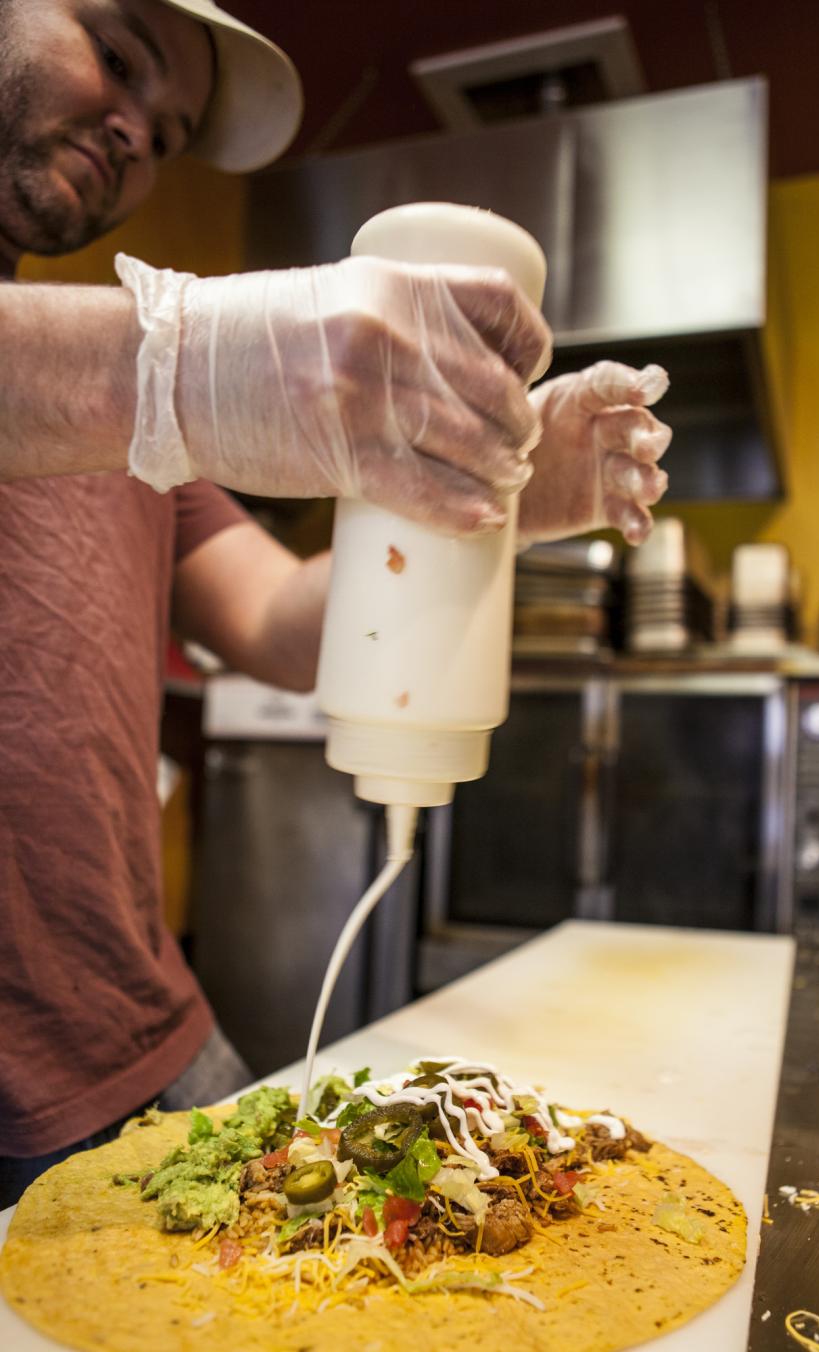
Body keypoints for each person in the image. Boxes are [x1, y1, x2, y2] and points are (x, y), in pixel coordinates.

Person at [0, 0, 671, 1208]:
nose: (140, 135)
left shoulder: (141, 445)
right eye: (116, 55)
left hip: (141, 1034)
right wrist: (168, 362)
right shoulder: (120, 377)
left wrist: (505, 498)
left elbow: (281, 619)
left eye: (172, 127)